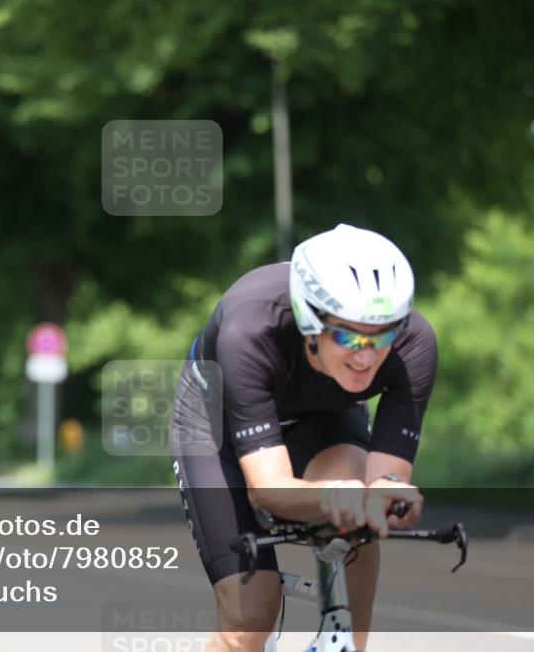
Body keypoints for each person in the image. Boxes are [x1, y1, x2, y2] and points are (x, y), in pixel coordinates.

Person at [169, 224, 438, 652]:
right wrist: (337, 495)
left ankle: (344, 642)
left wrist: (389, 496)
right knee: (251, 616)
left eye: (382, 333)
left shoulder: (414, 344)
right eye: (349, 336)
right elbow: (267, 493)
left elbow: (385, 480)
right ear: (310, 320)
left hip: (326, 415)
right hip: (214, 421)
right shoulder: (250, 330)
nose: (366, 355)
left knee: (357, 520)